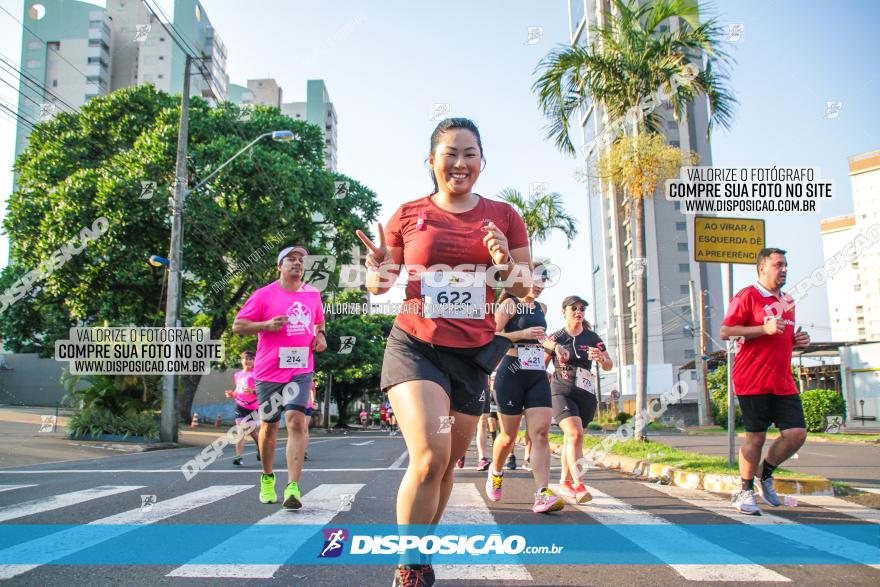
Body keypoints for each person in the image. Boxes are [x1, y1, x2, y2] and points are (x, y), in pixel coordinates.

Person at [356, 117, 530, 587]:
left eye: (469, 153)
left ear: (482, 162)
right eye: (449, 153)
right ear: (431, 161)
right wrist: (376, 269)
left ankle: (422, 554)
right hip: (416, 345)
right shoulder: (409, 213)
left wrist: (504, 262)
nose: (459, 162)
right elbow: (380, 284)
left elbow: (525, 288)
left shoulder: (505, 216)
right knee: (431, 454)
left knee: (447, 463)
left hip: (471, 357)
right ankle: (409, 569)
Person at [232, 245, 327, 510]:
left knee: (297, 422)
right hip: (268, 371)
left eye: (300, 260)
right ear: (279, 266)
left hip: (301, 369)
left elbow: (319, 322)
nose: (297, 263)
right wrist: (265, 325)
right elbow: (237, 326)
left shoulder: (312, 294)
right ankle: (267, 477)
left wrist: (321, 336)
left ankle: (293, 488)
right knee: (270, 426)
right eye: (290, 259)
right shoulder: (263, 295)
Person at [721, 247, 810, 515]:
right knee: (756, 438)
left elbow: (781, 340)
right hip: (752, 378)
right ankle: (744, 491)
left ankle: (765, 473)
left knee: (796, 434)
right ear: (762, 268)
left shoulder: (789, 302)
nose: (783, 270)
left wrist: (798, 342)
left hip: (783, 380)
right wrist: (763, 328)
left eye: (785, 265)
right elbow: (726, 330)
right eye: (778, 265)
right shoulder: (747, 296)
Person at [485, 270, 564, 513]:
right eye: (535, 281)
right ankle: (496, 471)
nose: (539, 285)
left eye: (543, 281)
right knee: (508, 436)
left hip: (537, 373)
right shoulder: (510, 304)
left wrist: (555, 347)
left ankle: (542, 493)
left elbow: (540, 339)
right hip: (511, 373)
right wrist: (520, 334)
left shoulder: (543, 307)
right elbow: (492, 336)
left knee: (540, 433)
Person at [547, 295, 613, 504]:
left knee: (572, 439)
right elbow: (540, 363)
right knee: (575, 434)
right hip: (561, 390)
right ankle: (580, 484)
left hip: (585, 393)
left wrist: (601, 358)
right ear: (563, 311)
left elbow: (609, 364)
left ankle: (564, 482)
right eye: (573, 308)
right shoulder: (556, 337)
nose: (578, 312)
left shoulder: (592, 337)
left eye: (582, 309)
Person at [224, 351, 261, 466]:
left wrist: (253, 391)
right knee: (241, 431)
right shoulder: (237, 375)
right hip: (240, 406)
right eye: (246, 359)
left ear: (254, 361)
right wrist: (232, 394)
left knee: (253, 432)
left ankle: (260, 448)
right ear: (242, 361)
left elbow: (262, 390)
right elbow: (237, 390)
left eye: (251, 359)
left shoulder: (257, 374)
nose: (248, 361)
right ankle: (238, 457)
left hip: (253, 407)